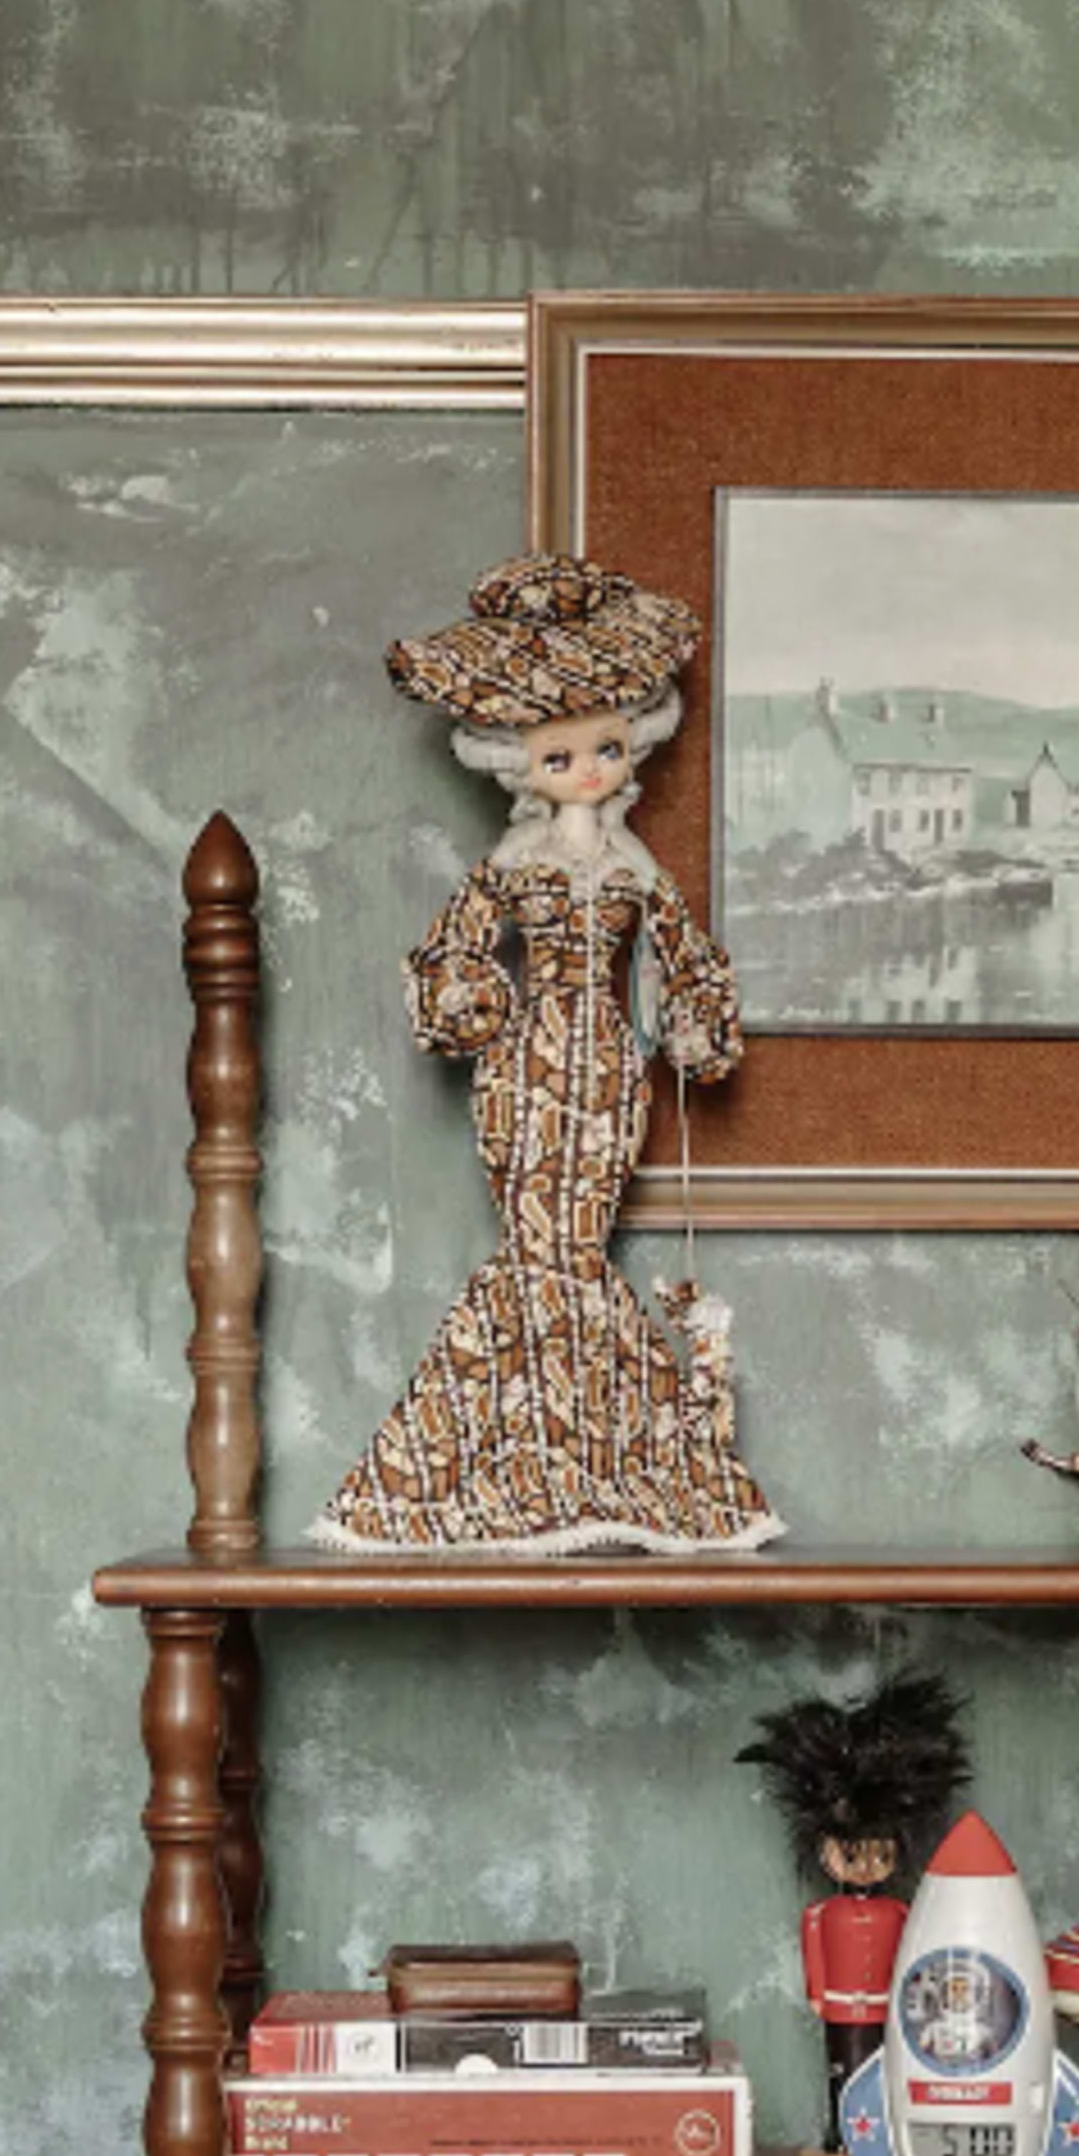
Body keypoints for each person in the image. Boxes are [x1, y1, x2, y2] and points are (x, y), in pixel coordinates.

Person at [316, 557, 783, 1554]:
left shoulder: (631, 866)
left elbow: (683, 955)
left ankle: (594, 1465)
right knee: (538, 1247)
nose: (587, 769)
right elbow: (453, 951)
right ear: (517, 761)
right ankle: (496, 1465)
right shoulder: (513, 862)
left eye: (605, 748)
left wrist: (696, 1026)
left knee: (580, 1242)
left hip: (610, 1064)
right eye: (561, 756)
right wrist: (473, 1007)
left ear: (632, 744)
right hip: (526, 1064)